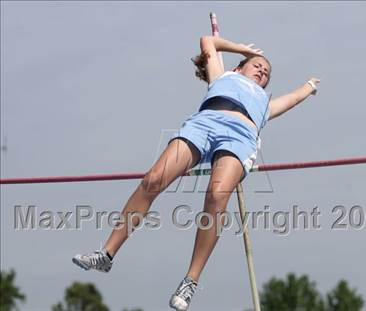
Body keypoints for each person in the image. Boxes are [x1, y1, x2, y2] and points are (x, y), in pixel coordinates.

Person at [72, 35, 320, 311]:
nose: (263, 70)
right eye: (257, 65)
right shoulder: (222, 77)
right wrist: (243, 49)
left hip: (240, 137)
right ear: (238, 68)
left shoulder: (264, 103)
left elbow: (295, 98)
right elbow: (207, 42)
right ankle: (106, 254)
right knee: (153, 179)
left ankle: (190, 281)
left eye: (267, 73)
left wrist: (309, 87)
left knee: (216, 196)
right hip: (204, 124)